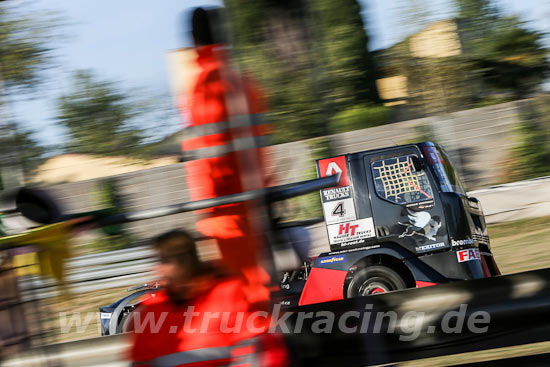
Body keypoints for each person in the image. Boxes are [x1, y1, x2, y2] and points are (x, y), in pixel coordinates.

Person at [180, 7, 273, 301]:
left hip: (226, 207)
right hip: (255, 199)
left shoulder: (205, 85)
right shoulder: (244, 80)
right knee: (259, 284)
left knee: (244, 291)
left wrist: (208, 209)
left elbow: (211, 153)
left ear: (193, 39)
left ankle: (262, 344)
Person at [129, 229, 288, 367]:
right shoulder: (152, 307)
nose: (156, 268)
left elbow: (252, 347)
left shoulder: (227, 292)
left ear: (182, 261)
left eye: (163, 261)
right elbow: (141, 360)